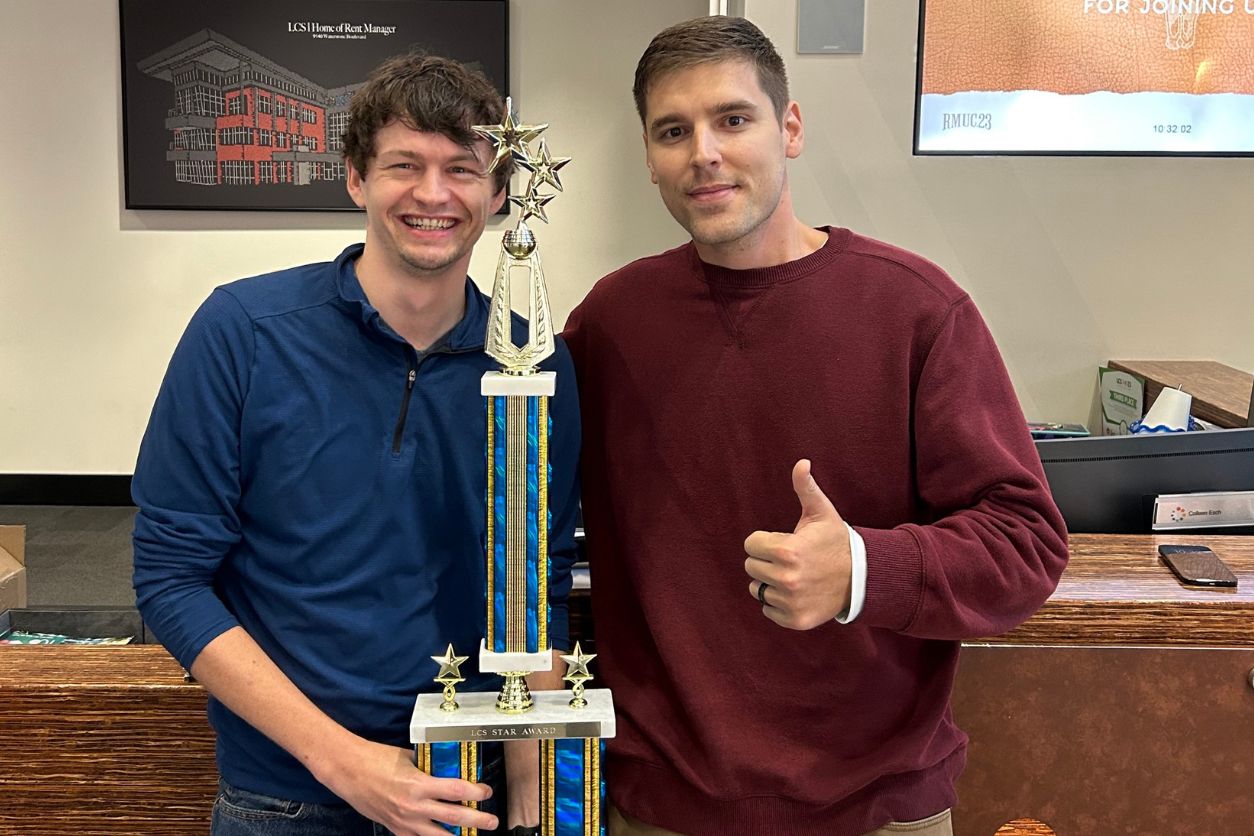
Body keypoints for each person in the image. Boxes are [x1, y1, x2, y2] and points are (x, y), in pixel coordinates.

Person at [562, 16, 1069, 836]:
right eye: (673, 131)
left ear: (788, 128)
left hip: (876, 810)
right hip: (663, 808)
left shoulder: (916, 310)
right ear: (649, 158)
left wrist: (866, 569)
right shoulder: (612, 322)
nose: (705, 153)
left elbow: (1026, 545)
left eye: (733, 119)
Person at [132, 53, 579, 836]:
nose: (433, 194)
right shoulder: (243, 333)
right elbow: (171, 580)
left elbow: (532, 589)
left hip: (462, 789)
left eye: (462, 169)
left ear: (499, 191)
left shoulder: (533, 360)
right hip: (285, 796)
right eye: (404, 164)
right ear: (354, 179)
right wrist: (342, 759)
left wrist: (536, 798)